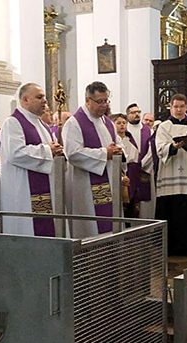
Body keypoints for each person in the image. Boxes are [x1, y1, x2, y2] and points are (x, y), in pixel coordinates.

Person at [0, 82, 65, 236]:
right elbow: (15, 153)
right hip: (23, 192)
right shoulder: (13, 123)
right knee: (28, 231)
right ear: (25, 100)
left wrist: (57, 152)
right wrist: (48, 150)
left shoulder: (42, 124)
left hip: (46, 188)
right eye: (39, 97)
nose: (45, 101)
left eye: (45, 98)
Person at [62, 81, 124, 238]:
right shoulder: (74, 123)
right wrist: (105, 153)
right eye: (99, 101)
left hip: (109, 181)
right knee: (91, 230)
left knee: (111, 224)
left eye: (106, 101)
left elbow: (118, 143)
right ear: (88, 100)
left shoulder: (107, 122)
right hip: (85, 186)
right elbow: (73, 153)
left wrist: (119, 152)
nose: (104, 105)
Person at [155, 93, 187, 255]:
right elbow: (159, 148)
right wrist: (173, 147)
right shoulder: (164, 126)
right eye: (175, 106)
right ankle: (168, 247)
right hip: (169, 175)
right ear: (170, 107)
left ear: (186, 107)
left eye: (181, 106)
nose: (178, 110)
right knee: (170, 211)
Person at [125, 103, 157, 218]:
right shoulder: (125, 130)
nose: (137, 114)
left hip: (144, 170)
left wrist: (142, 164)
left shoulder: (148, 131)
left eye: (138, 112)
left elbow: (151, 150)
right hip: (128, 170)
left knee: (144, 205)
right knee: (128, 201)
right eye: (133, 113)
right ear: (127, 115)